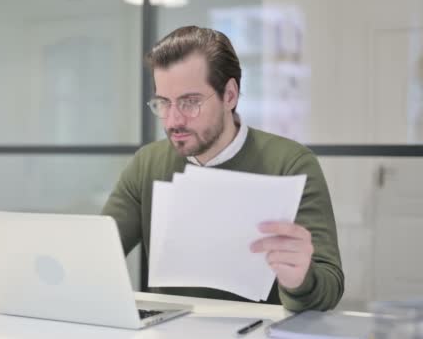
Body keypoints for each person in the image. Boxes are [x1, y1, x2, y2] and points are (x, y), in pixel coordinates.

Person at [101, 26, 343, 312]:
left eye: (190, 102)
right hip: (171, 331)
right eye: (164, 103)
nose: (172, 121)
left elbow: (330, 288)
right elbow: (98, 256)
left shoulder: (290, 163)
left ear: (229, 95)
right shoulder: (148, 163)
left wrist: (301, 279)